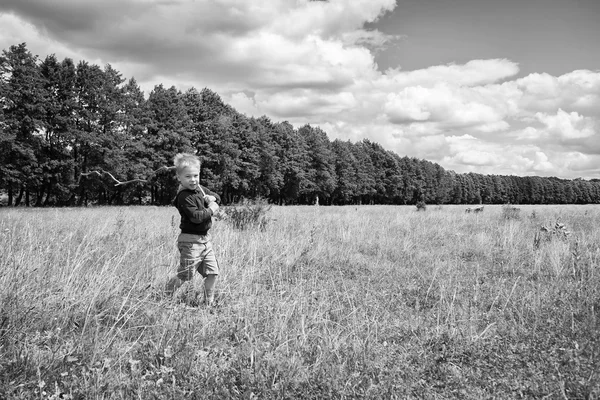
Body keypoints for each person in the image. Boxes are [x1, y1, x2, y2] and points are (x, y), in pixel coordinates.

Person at [165, 153, 221, 306]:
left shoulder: (200, 189)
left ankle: (209, 303)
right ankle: (166, 295)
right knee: (186, 275)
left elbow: (217, 197)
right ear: (179, 177)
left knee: (212, 272)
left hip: (205, 241)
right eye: (188, 176)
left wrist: (213, 199)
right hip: (190, 241)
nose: (193, 180)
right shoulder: (184, 196)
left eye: (196, 175)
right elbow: (196, 217)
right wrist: (212, 209)